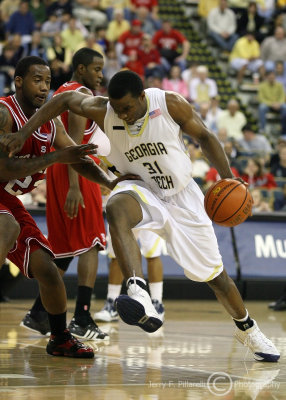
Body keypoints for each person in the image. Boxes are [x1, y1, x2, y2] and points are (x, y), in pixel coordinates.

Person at [0, 70, 280, 363]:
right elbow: (66, 99)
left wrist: (229, 178)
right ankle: (137, 288)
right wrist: (24, 132)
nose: (123, 115)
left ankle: (248, 328)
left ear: (142, 97)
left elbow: (206, 137)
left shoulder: (170, 103)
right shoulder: (104, 110)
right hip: (141, 189)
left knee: (215, 277)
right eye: (118, 109)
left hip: (182, 196)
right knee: (116, 207)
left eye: (128, 109)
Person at [0, 56, 115, 358]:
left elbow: (76, 157)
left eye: (48, 82)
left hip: (6, 199)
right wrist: (54, 159)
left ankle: (60, 338)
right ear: (19, 82)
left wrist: (111, 182)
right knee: (7, 227)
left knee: (49, 271)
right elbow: (3, 168)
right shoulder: (4, 113)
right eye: (37, 80)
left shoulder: (49, 124)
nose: (43, 88)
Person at [94, 229, 165, 322]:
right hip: (122, 215)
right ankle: (112, 304)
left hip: (149, 215)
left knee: (152, 253)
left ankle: (157, 303)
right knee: (117, 254)